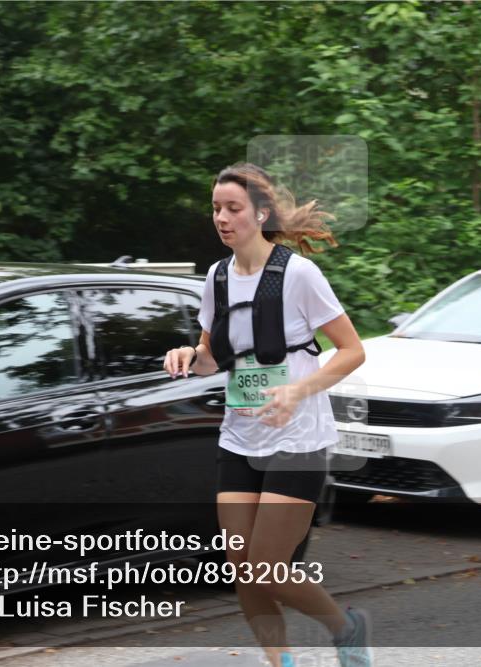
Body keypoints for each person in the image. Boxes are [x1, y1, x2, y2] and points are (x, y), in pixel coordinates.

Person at [163, 162, 371, 667]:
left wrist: (298, 390)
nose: (221, 218)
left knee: (266, 566)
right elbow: (213, 355)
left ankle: (346, 628)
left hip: (298, 439)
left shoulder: (298, 275)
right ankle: (282, 662)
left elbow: (352, 351)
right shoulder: (216, 278)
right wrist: (189, 355)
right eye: (216, 208)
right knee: (241, 567)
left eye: (232, 208)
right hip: (240, 437)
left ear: (260, 213)